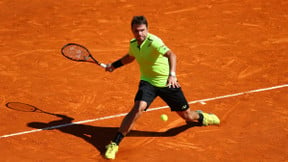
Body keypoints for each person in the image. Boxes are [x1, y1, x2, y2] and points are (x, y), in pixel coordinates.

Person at [104, 16, 220, 160]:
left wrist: (172, 75)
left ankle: (202, 116)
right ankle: (114, 143)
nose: (139, 34)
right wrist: (114, 65)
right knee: (138, 108)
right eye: (136, 31)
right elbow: (130, 57)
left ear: (147, 29)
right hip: (148, 83)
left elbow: (172, 55)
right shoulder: (133, 44)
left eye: (142, 30)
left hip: (167, 83)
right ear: (132, 31)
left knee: (187, 116)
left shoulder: (154, 42)